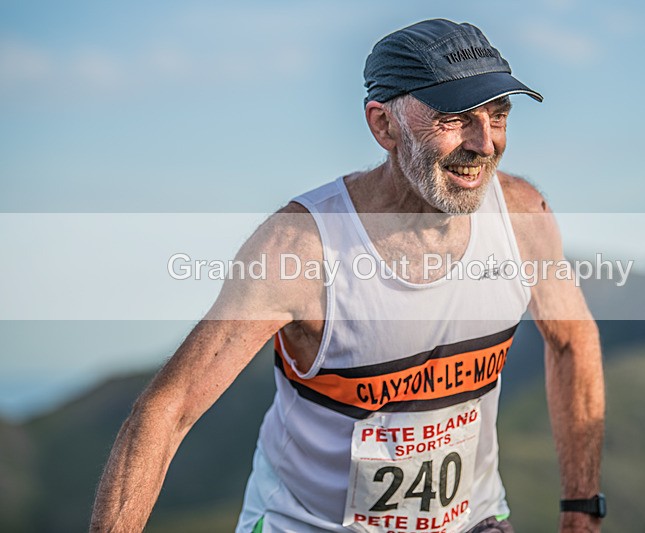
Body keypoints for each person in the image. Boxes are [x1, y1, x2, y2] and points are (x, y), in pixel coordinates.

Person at [91, 19, 605, 533]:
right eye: (454, 119)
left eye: (498, 116)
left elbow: (572, 341)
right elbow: (167, 409)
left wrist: (581, 510)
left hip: (473, 520)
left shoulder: (522, 217)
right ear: (384, 126)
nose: (485, 143)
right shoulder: (300, 248)